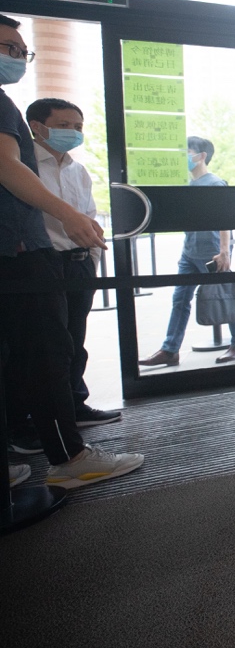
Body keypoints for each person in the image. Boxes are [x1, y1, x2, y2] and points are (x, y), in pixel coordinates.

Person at [0, 13, 143, 489]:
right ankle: (69, 458)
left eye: (22, 51)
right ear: (37, 127)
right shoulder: (4, 112)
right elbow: (7, 167)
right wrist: (67, 216)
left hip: (47, 259)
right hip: (24, 254)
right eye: (9, 48)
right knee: (45, 356)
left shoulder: (77, 168)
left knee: (53, 349)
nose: (17, 58)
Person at [25, 98, 120, 426]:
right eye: (63, 125)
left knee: (75, 339)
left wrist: (91, 260)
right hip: (43, 263)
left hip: (78, 263)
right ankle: (43, 420)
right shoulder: (22, 167)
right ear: (37, 127)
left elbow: (89, 217)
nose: (73, 132)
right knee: (49, 346)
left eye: (78, 127)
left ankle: (75, 405)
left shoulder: (78, 170)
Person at [138, 136, 235, 367]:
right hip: (189, 253)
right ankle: (170, 350)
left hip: (211, 252)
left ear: (201, 156)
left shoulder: (215, 184)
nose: (182, 157)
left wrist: (224, 251)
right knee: (180, 299)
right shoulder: (188, 185)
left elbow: (225, 218)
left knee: (225, 297)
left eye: (187, 152)